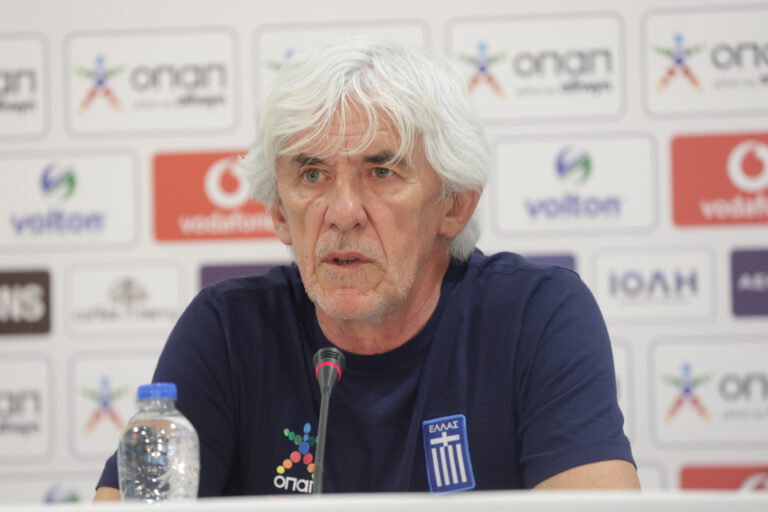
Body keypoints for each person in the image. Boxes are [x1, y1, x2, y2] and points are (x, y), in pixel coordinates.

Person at [94, 37, 638, 500]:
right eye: (312, 175)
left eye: (381, 172)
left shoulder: (536, 317)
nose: (343, 212)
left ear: (454, 204)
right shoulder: (228, 331)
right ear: (280, 213)